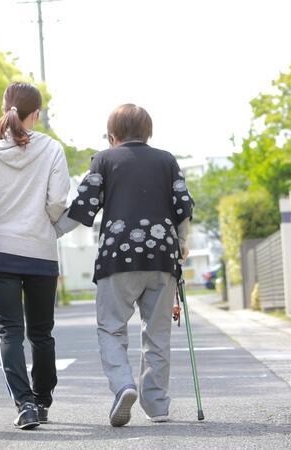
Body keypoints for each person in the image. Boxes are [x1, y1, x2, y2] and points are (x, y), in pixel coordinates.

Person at [55, 104, 194, 427]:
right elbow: (183, 207)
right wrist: (182, 242)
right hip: (162, 255)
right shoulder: (167, 160)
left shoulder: (104, 159)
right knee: (157, 333)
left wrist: (51, 233)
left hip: (118, 256)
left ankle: (123, 386)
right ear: (149, 133)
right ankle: (157, 405)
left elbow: (83, 207)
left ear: (111, 136)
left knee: (112, 327)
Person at [0, 82, 70, 429]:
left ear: (4, 107)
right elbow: (57, 202)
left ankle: (24, 405)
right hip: (40, 252)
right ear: (36, 114)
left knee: (9, 331)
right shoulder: (51, 149)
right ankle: (42, 401)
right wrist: (46, 226)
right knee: (42, 332)